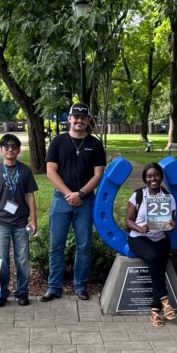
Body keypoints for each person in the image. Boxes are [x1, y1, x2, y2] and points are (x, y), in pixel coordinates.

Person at [42, 103, 106, 301]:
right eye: (75, 117)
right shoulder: (58, 142)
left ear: (88, 120)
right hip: (61, 199)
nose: (79, 120)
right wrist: (70, 194)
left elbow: (98, 174)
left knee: (84, 246)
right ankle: (54, 287)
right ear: (69, 118)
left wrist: (81, 194)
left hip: (86, 201)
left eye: (83, 117)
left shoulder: (95, 144)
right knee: (56, 245)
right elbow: (50, 171)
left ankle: (80, 286)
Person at [0, 134, 38, 307]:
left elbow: (30, 197)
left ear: (19, 150)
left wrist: (33, 220)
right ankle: (3, 293)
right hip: (1, 222)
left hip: (21, 222)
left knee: (23, 259)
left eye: (14, 147)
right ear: (1, 150)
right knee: (3, 260)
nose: (10, 150)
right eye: (6, 147)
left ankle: (22, 292)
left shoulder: (25, 171)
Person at [126, 162, 177, 328]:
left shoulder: (168, 197)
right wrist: (140, 228)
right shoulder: (138, 195)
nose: (153, 179)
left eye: (156, 175)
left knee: (160, 264)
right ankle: (164, 299)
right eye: (149, 176)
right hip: (138, 238)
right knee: (154, 257)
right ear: (145, 179)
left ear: (161, 177)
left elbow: (170, 222)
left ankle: (155, 311)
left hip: (160, 237)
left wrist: (171, 224)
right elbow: (128, 220)